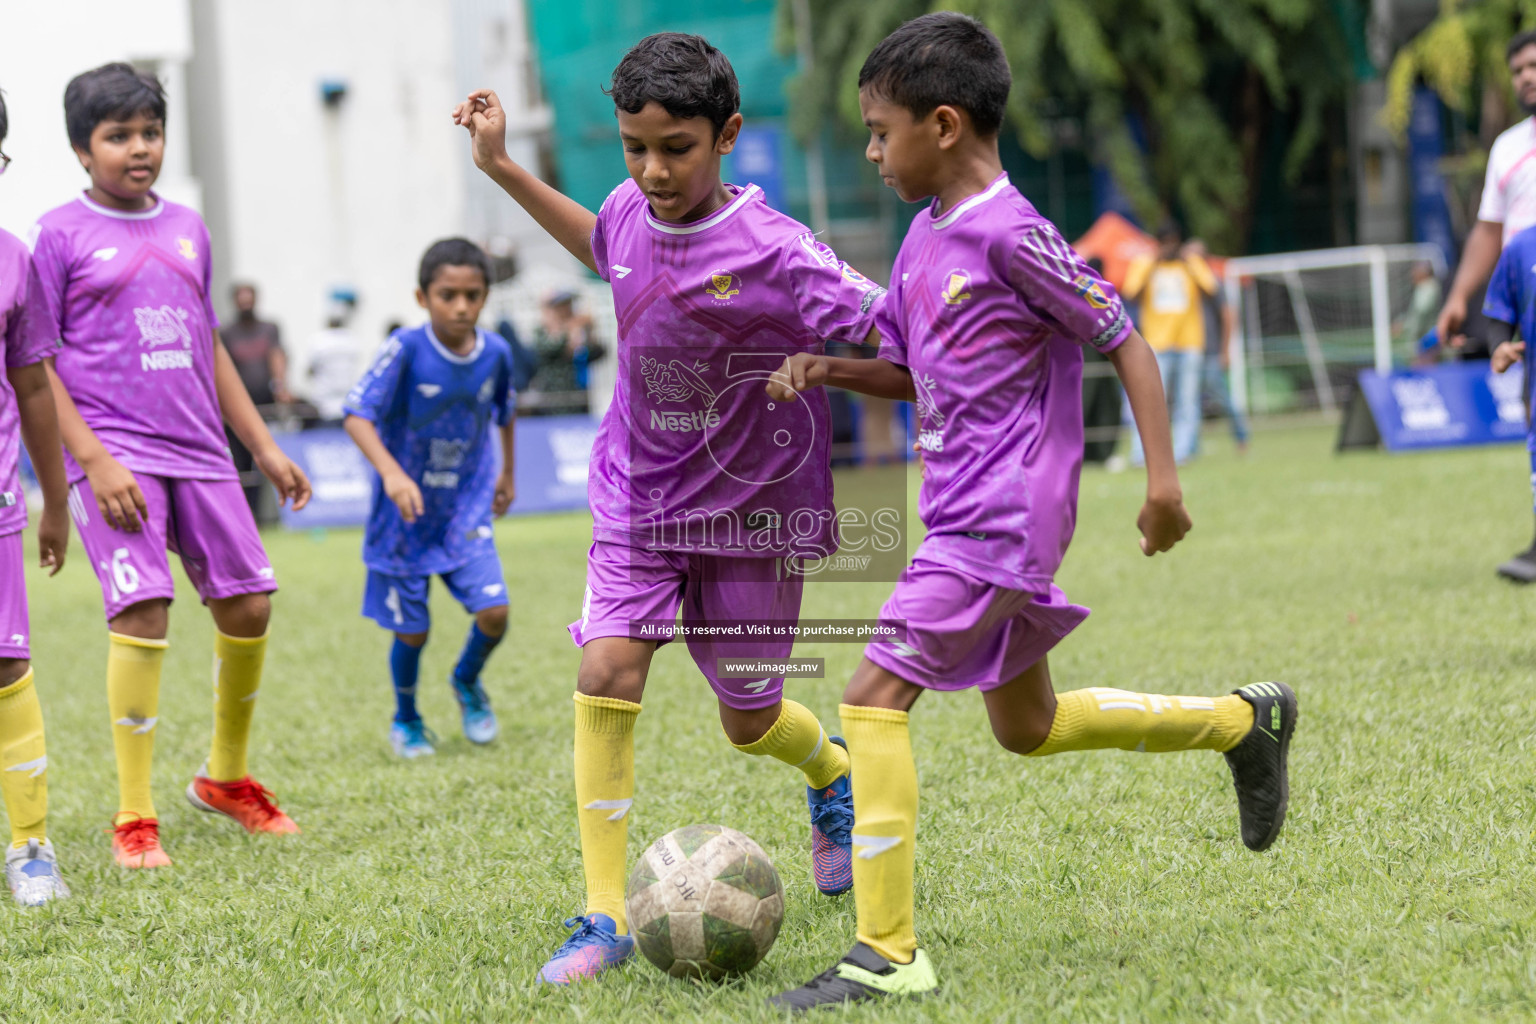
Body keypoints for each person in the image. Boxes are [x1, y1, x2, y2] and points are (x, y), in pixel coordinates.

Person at [761, 15, 1297, 1009]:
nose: (873, 152)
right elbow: (918, 370)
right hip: (958, 517)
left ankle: (886, 950)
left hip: (999, 522)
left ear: (947, 124)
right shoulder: (925, 238)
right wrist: (826, 365)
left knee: (872, 698)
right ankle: (1242, 724)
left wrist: (1163, 482)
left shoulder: (1015, 234)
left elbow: (1125, 338)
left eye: (881, 132)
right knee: (1029, 726)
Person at [454, 31, 885, 983]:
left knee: (749, 719)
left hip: (753, 520)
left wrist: (828, 366)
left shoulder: (779, 250)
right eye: (633, 147)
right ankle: (603, 915)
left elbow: (893, 334)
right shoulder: (626, 206)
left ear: (727, 134)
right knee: (608, 668)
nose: (652, 170)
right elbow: (605, 244)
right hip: (638, 500)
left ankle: (832, 772)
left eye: (676, 148)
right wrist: (502, 169)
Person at [32, 63, 311, 869]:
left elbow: (207, 341)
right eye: (118, 136)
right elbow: (35, 359)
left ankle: (225, 778)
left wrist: (260, 445)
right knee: (144, 613)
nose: (139, 148)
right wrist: (91, 459)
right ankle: (134, 815)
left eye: (150, 132)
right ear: (82, 150)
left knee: (251, 607)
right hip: (115, 455)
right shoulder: (57, 234)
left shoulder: (190, 226)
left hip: (200, 450)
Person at [343, 239, 516, 758]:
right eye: (448, 295)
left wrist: (506, 473)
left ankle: (466, 681)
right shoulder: (405, 348)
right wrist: (393, 475)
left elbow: (504, 412)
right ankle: (408, 719)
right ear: (423, 297)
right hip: (405, 516)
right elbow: (356, 414)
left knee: (495, 612)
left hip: (463, 506)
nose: (461, 306)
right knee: (412, 631)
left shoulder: (497, 353)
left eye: (473, 295)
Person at [0, 88, 72, 905]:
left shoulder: (12, 258)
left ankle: (30, 847)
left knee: (6, 661)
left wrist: (55, 501)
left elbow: (33, 388)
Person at [1436, 31, 1536, 579]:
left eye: (1534, 65)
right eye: (1518, 68)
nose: (1526, 75)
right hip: (1527, 307)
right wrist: (1458, 297)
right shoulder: (1508, 147)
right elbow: (1487, 233)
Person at [1121, 221, 1216, 465]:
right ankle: (1141, 455)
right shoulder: (1145, 263)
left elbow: (1211, 291)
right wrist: (1154, 262)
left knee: (1188, 400)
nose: (1170, 247)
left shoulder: (1191, 263)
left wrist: (1189, 263)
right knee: (1148, 400)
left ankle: (1183, 453)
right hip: (1157, 344)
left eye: (1174, 242)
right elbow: (1130, 294)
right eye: (1165, 243)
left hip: (1189, 342)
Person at [221, 283, 291, 516]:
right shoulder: (226, 333)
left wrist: (280, 387)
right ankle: (243, 515)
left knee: (263, 461)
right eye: (241, 299)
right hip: (236, 411)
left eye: (249, 298)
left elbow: (277, 356)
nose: (245, 303)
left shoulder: (269, 329)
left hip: (264, 406)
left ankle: (259, 515)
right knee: (239, 465)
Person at [1185, 239, 1250, 454]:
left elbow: (1229, 314)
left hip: (1210, 350)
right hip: (1187, 349)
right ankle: (1190, 448)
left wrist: (1225, 349)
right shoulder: (1181, 281)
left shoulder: (1212, 282)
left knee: (1222, 398)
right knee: (1189, 402)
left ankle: (1242, 437)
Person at [528, 289, 602, 414]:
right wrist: (567, 329)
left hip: (579, 396)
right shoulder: (542, 331)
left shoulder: (579, 329)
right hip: (553, 398)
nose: (567, 310)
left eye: (569, 305)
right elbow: (548, 349)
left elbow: (596, 353)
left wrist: (590, 333)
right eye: (562, 306)